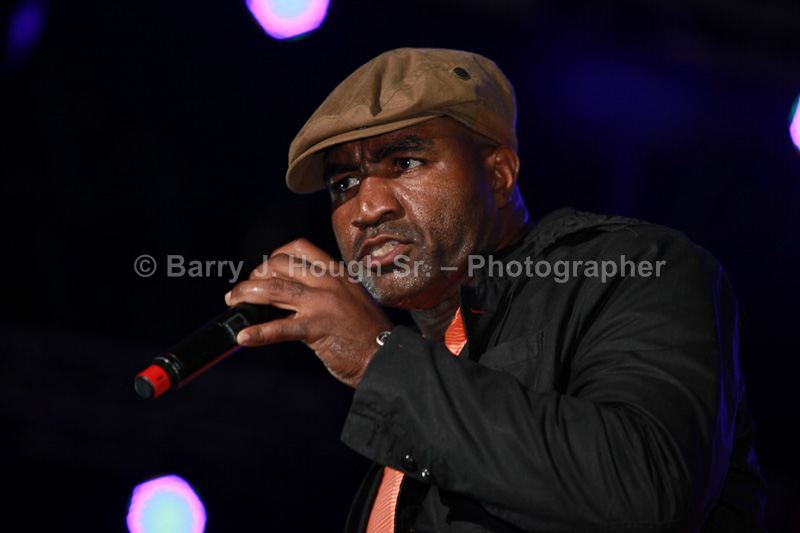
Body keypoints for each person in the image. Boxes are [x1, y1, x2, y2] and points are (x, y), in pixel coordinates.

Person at [225, 48, 767, 532]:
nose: (366, 207)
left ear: (500, 175)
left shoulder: (635, 268)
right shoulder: (418, 389)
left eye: (405, 162)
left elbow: (647, 490)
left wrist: (376, 357)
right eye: (344, 183)